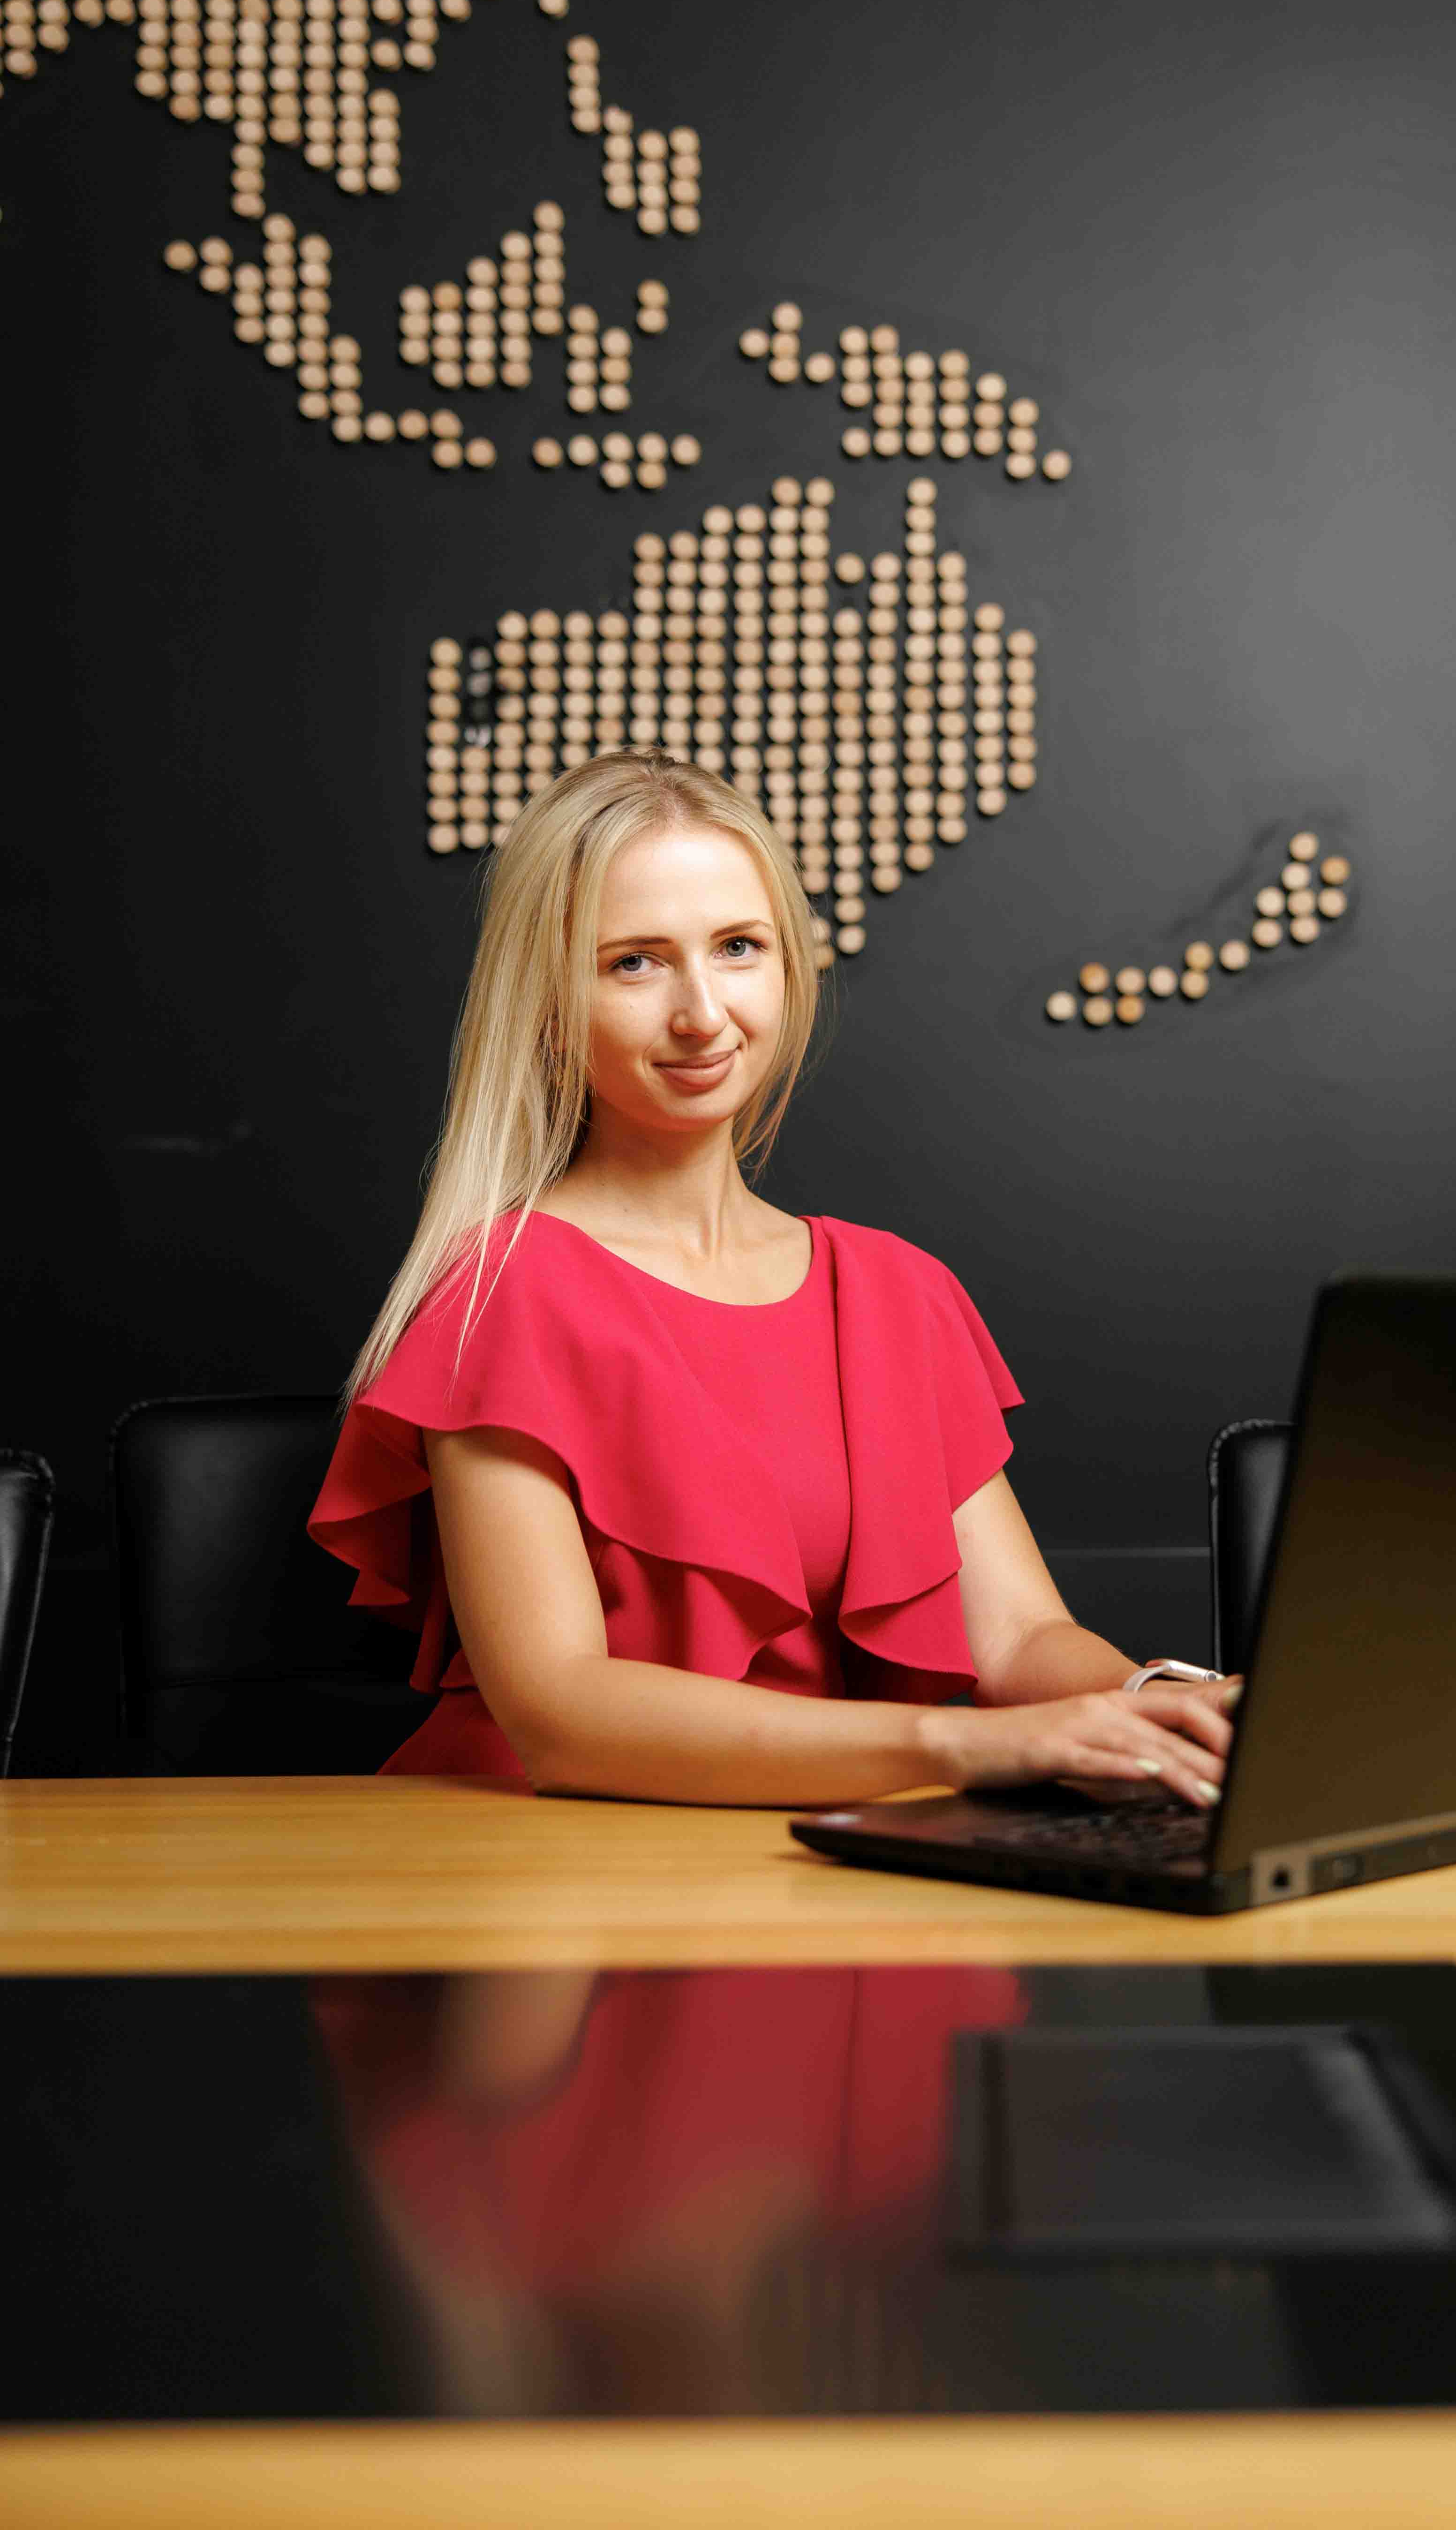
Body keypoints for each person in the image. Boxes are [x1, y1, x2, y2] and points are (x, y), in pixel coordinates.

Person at [309, 751, 1235, 1808]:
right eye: (634, 963)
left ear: (788, 969)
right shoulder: (500, 1294)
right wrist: (962, 1749)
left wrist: (1167, 1702)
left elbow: (1020, 1637)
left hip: (816, 1853)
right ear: (550, 1005)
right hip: (555, 1878)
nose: (702, 1012)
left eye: (737, 948)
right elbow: (557, 1711)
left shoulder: (895, 1290)